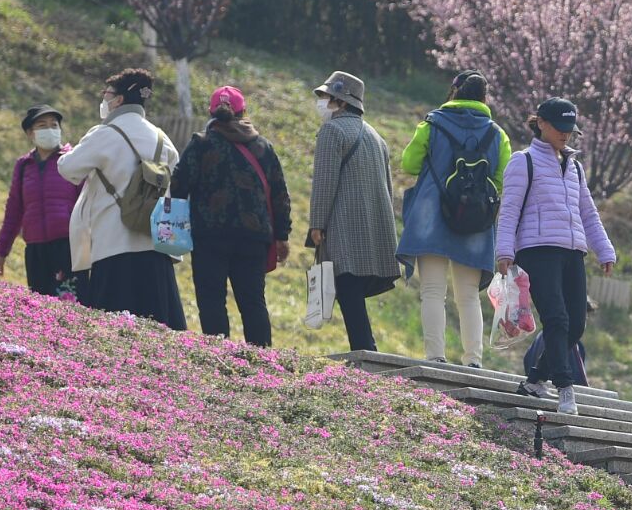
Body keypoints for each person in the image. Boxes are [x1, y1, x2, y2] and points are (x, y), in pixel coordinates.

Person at [494, 97, 616, 416]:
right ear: (541, 124)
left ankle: (536, 379)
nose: (565, 134)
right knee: (557, 319)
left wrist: (604, 249)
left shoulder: (575, 167)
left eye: (570, 129)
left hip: (572, 251)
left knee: (576, 324)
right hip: (536, 251)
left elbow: (588, 212)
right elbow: (509, 210)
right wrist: (504, 250)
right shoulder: (523, 161)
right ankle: (564, 387)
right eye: (560, 127)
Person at [397, 70, 511, 367]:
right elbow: (502, 179)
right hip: (474, 219)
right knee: (468, 295)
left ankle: (435, 357)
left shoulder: (432, 123)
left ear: (454, 91)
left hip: (430, 215)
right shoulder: (498, 134)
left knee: (432, 291)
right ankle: (473, 360)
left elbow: (409, 164)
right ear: (485, 98)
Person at [58, 68, 185, 328]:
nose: (103, 99)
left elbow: (68, 168)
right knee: (161, 335)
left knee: (115, 334)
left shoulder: (104, 134)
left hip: (113, 247)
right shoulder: (163, 139)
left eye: (106, 94)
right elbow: (174, 191)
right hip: (156, 251)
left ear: (118, 100)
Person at [171, 84, 291, 347]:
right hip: (253, 238)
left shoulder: (201, 144)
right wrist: (282, 236)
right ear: (243, 112)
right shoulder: (263, 147)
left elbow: (178, 185)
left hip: (209, 236)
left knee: (211, 299)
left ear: (211, 112)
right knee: (253, 302)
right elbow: (280, 195)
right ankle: (263, 360)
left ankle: (219, 356)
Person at [306, 70, 401, 353]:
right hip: (373, 226)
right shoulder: (377, 137)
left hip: (342, 224)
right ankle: (366, 348)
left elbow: (324, 182)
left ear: (342, 101)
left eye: (326, 97)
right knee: (352, 289)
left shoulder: (332, 131)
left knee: (346, 286)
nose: (322, 102)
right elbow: (388, 187)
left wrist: (317, 224)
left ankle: (365, 351)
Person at [0, 104, 81, 297]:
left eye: (54, 125)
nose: (50, 129)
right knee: (40, 305)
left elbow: (87, 203)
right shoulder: (24, 166)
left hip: (68, 247)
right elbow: (14, 211)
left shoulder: (73, 160)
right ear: (30, 133)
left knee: (70, 304)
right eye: (42, 125)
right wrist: (1, 251)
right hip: (36, 249)